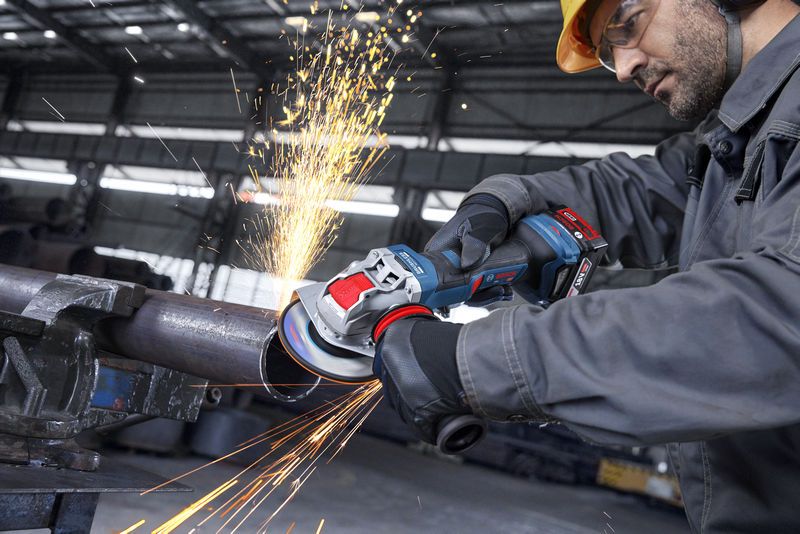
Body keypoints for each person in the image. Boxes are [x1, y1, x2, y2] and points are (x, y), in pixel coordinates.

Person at [372, 0, 800, 531]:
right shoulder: (739, 137)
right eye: (606, 53)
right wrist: (506, 202)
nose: (623, 68)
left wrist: (482, 360)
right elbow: (637, 193)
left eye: (627, 23)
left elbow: (782, 315)